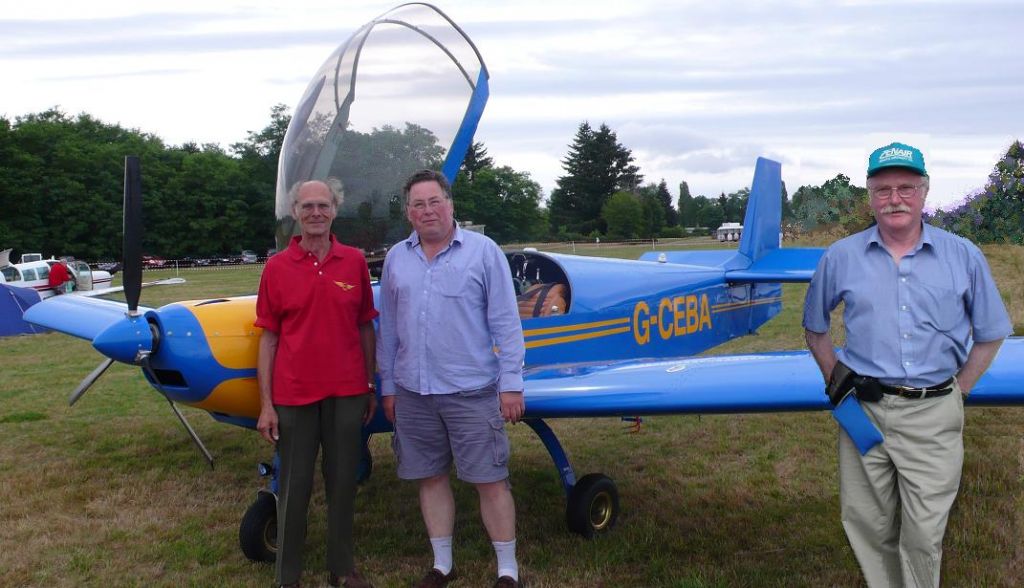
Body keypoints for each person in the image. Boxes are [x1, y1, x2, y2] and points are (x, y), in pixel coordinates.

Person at [803, 142, 1012, 587]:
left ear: (924, 191)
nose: (894, 198)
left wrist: (960, 390)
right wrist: (834, 379)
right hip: (865, 409)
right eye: (882, 190)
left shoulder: (964, 255)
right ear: (869, 195)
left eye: (905, 187)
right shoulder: (841, 256)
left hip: (934, 412)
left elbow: (992, 332)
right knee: (867, 524)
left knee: (922, 534)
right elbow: (814, 327)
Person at [377, 169, 526, 588]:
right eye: (418, 205)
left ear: (450, 204)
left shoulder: (483, 251)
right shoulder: (396, 258)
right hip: (414, 392)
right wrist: (388, 386)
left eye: (434, 201)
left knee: (489, 479)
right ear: (408, 213)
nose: (428, 211)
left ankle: (507, 571)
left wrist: (511, 382)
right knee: (431, 477)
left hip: (471, 390)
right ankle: (443, 564)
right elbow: (389, 329)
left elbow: (505, 321)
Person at [255, 179, 378, 588]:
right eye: (307, 206)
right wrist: (267, 404)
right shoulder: (275, 267)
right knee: (294, 485)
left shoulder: (353, 261)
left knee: (343, 481)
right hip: (294, 393)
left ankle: (342, 569)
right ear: (295, 212)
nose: (315, 213)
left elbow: (365, 326)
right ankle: (287, 575)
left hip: (345, 390)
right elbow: (269, 338)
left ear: (334, 210)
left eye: (323, 205)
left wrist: (369, 384)